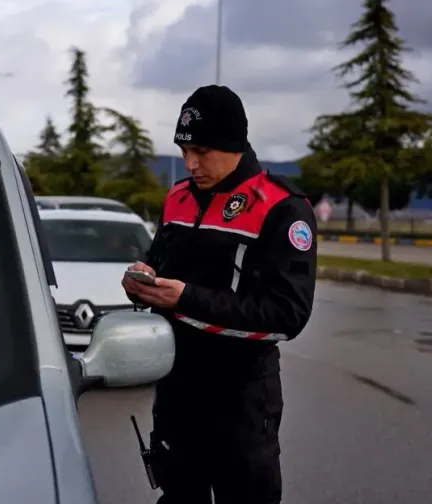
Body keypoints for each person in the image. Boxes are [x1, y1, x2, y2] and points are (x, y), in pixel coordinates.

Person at [121, 85, 317, 504]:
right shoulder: (176, 197)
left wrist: (185, 298)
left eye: (202, 151)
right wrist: (144, 280)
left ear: (234, 146)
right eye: (184, 150)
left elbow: (287, 315)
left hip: (240, 403)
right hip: (176, 393)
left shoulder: (282, 207)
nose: (190, 163)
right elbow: (161, 264)